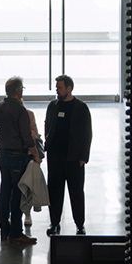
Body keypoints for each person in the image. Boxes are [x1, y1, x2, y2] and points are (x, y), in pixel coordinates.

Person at [0, 76, 41, 245]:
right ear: (19, 91)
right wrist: (36, 154)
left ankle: (4, 231)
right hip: (18, 156)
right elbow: (27, 138)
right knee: (17, 194)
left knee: (4, 192)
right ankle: (16, 233)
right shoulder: (20, 111)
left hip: (3, 155)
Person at [43, 74, 92, 236]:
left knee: (76, 192)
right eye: (57, 88)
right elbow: (47, 125)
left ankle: (80, 224)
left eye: (60, 88)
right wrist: (47, 144)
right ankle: (54, 223)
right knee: (54, 192)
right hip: (55, 158)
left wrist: (83, 157)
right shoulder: (53, 106)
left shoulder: (80, 108)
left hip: (74, 158)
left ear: (69, 88)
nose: (57, 90)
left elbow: (87, 133)